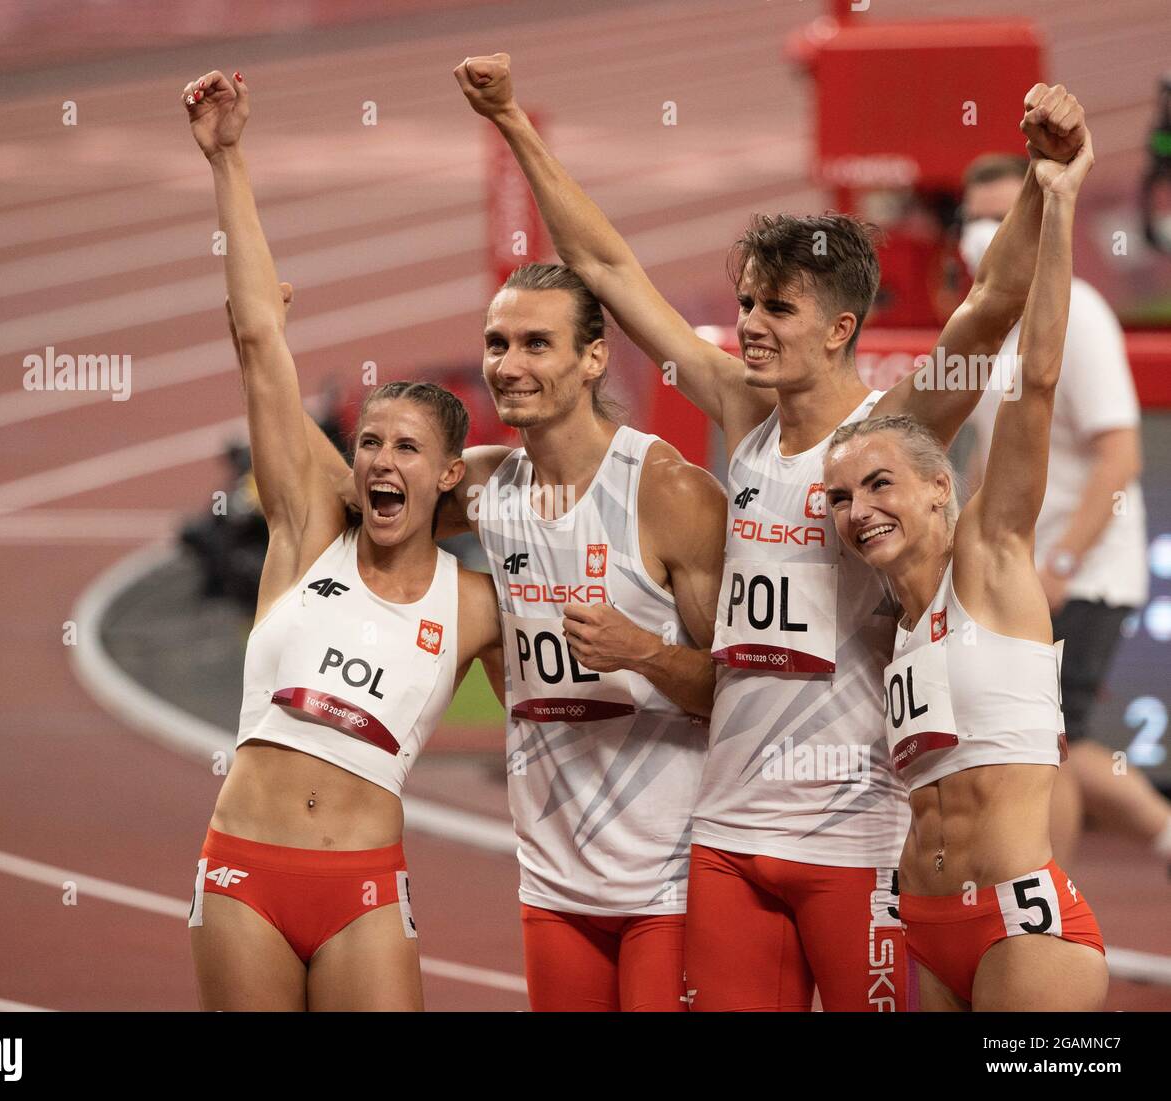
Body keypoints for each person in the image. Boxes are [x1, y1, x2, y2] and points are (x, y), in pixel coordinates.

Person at [457, 50, 1087, 1010]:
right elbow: (606, 268)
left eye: (775, 308)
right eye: (746, 300)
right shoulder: (741, 415)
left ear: (838, 329)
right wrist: (511, 122)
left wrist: (1043, 181)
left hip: (853, 833)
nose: (748, 323)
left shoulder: (892, 431)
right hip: (726, 838)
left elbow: (990, 308)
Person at [180, 69, 501, 1011]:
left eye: (408, 448)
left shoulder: (476, 602)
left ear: (451, 471)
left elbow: (560, 711)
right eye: (367, 443)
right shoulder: (304, 533)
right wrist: (228, 158)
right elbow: (257, 343)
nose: (379, 462)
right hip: (244, 871)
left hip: (363, 888)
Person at [822, 126, 1108, 1010]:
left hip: (1023, 929)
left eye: (881, 485)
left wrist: (1057, 199)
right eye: (840, 498)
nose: (860, 508)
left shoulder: (989, 555)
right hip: (928, 924)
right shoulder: (891, 623)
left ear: (941, 490)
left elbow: (1041, 375)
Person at [959, 155, 1167, 870]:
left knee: (1052, 739)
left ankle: (1048, 910)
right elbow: (990, 458)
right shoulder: (987, 325)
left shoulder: (1081, 315)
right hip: (1021, 572)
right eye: (975, 218)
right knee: (1036, 736)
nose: (986, 231)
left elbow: (1120, 457)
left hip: (1079, 573)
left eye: (1002, 215)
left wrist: (1061, 564)